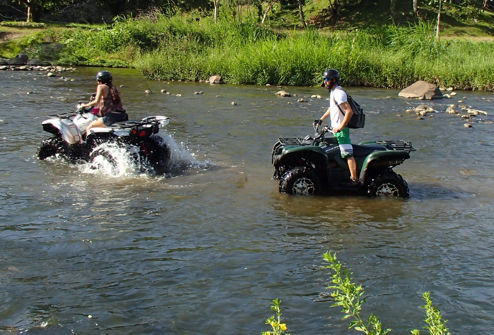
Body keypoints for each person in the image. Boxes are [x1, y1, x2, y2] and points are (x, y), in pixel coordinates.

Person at [314, 69, 359, 185]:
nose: (324, 82)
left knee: (348, 154)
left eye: (326, 79)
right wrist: (321, 119)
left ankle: (354, 180)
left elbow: (349, 112)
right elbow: (332, 107)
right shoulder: (333, 92)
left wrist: (340, 127)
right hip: (336, 129)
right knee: (333, 152)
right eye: (324, 79)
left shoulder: (339, 93)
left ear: (333, 80)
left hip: (341, 130)